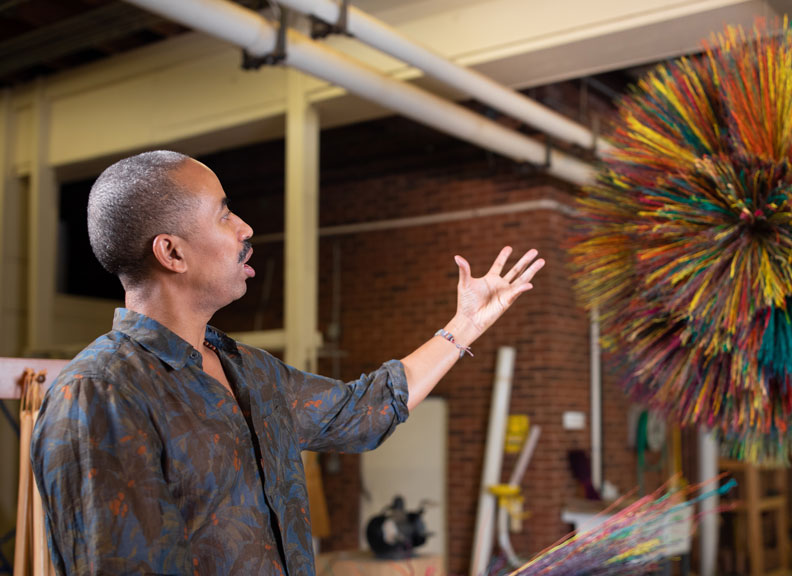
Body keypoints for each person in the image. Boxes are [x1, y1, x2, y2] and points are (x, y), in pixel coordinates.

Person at [30, 150, 544, 575]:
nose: (245, 227)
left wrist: (465, 325)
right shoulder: (98, 394)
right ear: (172, 253)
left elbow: (359, 413)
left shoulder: (248, 370)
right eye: (225, 213)